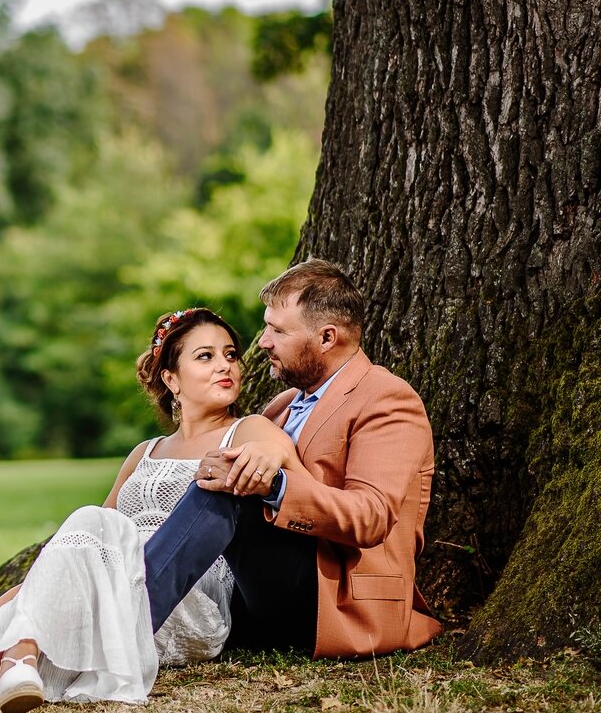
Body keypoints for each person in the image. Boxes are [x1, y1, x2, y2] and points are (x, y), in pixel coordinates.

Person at [0, 307, 299, 713]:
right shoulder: (144, 453)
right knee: (87, 525)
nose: (227, 366)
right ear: (171, 379)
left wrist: (270, 453)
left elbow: (279, 454)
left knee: (90, 527)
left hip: (178, 601)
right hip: (105, 585)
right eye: (206, 356)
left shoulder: (249, 429)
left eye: (231, 355)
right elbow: (69, 561)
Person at [146, 259, 441, 661]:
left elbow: (371, 516)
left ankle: (127, 625)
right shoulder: (282, 406)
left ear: (326, 338)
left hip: (338, 598)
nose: (263, 341)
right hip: (262, 593)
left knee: (236, 486)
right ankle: (105, 609)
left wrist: (273, 486)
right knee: (224, 478)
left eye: (278, 330)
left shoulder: (387, 398)